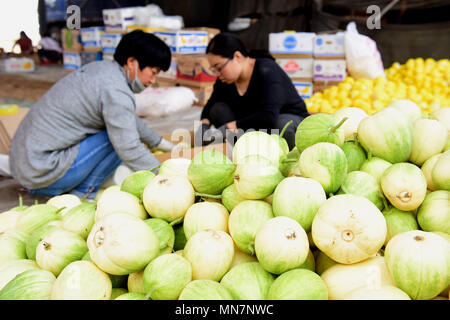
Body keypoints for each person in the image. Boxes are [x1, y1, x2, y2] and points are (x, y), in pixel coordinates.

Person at [9, 30, 176, 199]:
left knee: (121, 129)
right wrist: (167, 178)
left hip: (26, 165)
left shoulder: (103, 70)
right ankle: (84, 193)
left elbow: (128, 119)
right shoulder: (116, 91)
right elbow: (129, 147)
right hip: (42, 172)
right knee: (118, 139)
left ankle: (71, 187)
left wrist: (164, 145)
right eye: (153, 72)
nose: (153, 81)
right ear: (132, 62)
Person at [197, 32, 310, 150]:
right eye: (214, 69)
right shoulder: (226, 79)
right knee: (218, 109)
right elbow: (211, 103)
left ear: (237, 56)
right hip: (256, 125)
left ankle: (285, 155)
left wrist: (230, 126)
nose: (218, 73)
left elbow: (268, 116)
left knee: (281, 125)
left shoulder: (267, 70)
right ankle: (245, 152)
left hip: (286, 120)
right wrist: (204, 124)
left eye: (219, 67)